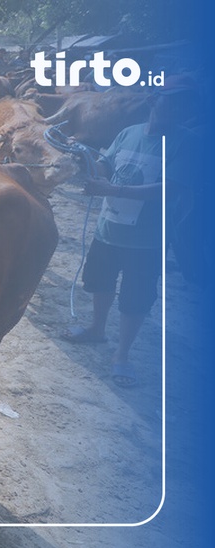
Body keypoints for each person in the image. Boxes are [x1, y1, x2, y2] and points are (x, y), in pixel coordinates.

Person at [62, 76, 198, 386]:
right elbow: (107, 165)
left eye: (185, 104)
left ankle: (122, 354)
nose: (178, 109)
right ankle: (97, 329)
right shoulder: (128, 133)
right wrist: (85, 160)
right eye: (172, 101)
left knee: (136, 295)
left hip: (147, 239)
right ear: (153, 101)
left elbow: (170, 189)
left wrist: (112, 189)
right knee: (99, 281)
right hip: (108, 227)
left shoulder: (187, 142)